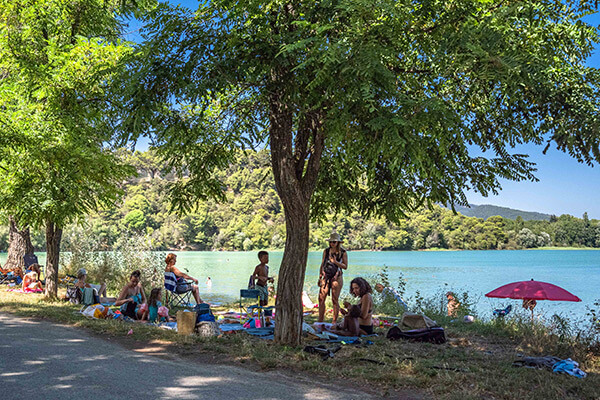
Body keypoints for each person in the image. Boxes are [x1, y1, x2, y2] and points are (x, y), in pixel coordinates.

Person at [318, 232, 348, 323]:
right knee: (321, 298)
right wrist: (320, 275)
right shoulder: (326, 251)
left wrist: (335, 262)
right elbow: (323, 263)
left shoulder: (343, 252)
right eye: (331, 242)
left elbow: (345, 266)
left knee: (335, 299)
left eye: (334, 242)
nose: (332, 244)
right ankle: (320, 320)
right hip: (326, 275)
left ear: (338, 243)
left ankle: (334, 321)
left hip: (337, 277)